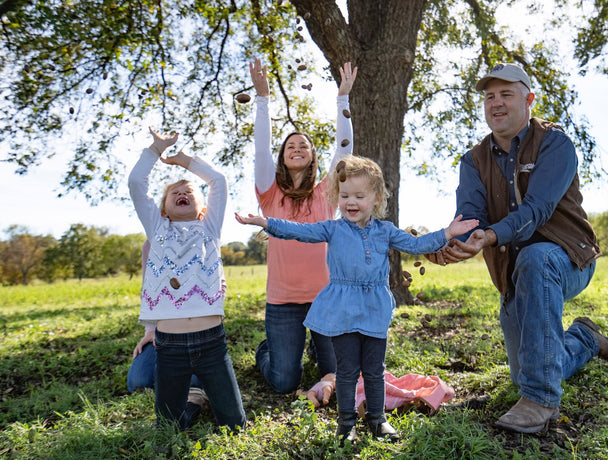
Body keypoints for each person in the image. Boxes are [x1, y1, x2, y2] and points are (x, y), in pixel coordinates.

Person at [425, 63, 608, 434]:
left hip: (567, 258)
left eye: (506, 94)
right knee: (528, 369)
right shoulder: (473, 160)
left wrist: (488, 237)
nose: (496, 103)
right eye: (490, 97)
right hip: (514, 275)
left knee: (537, 259)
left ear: (529, 99)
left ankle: (541, 401)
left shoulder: (555, 144)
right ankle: (584, 339)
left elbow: (536, 211)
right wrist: (451, 243)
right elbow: (470, 216)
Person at [235, 155, 479, 443]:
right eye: (345, 196)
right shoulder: (333, 228)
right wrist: (266, 222)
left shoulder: (386, 231)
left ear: (376, 198)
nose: (351, 202)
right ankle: (346, 423)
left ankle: (377, 419)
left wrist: (447, 233)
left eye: (359, 196)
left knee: (375, 370)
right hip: (343, 309)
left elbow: (416, 245)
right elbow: (299, 231)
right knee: (347, 370)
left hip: (374, 308)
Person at [249, 57, 357, 395]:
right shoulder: (269, 194)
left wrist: (343, 100)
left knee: (335, 374)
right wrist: (263, 98)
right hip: (282, 302)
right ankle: (270, 350)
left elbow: (344, 148)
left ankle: (313, 346)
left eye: (303, 144)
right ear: (283, 157)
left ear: (312, 154)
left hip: (326, 299)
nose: (296, 148)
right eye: (290, 146)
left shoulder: (326, 192)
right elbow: (260, 147)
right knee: (284, 381)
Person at [128, 127, 245, 430]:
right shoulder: (157, 230)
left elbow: (218, 181)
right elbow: (136, 185)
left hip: (212, 343)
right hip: (170, 346)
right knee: (167, 427)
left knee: (234, 425)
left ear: (202, 207)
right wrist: (155, 150)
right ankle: (193, 402)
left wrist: (185, 161)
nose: (182, 194)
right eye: (174, 193)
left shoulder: (209, 229)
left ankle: (198, 400)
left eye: (188, 191)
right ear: (163, 209)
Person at [126, 240, 206, 416]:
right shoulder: (150, 245)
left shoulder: (202, 239)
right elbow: (148, 292)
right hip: (162, 331)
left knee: (191, 384)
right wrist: (151, 331)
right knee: (138, 382)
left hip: (196, 332)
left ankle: (190, 387)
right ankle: (171, 380)